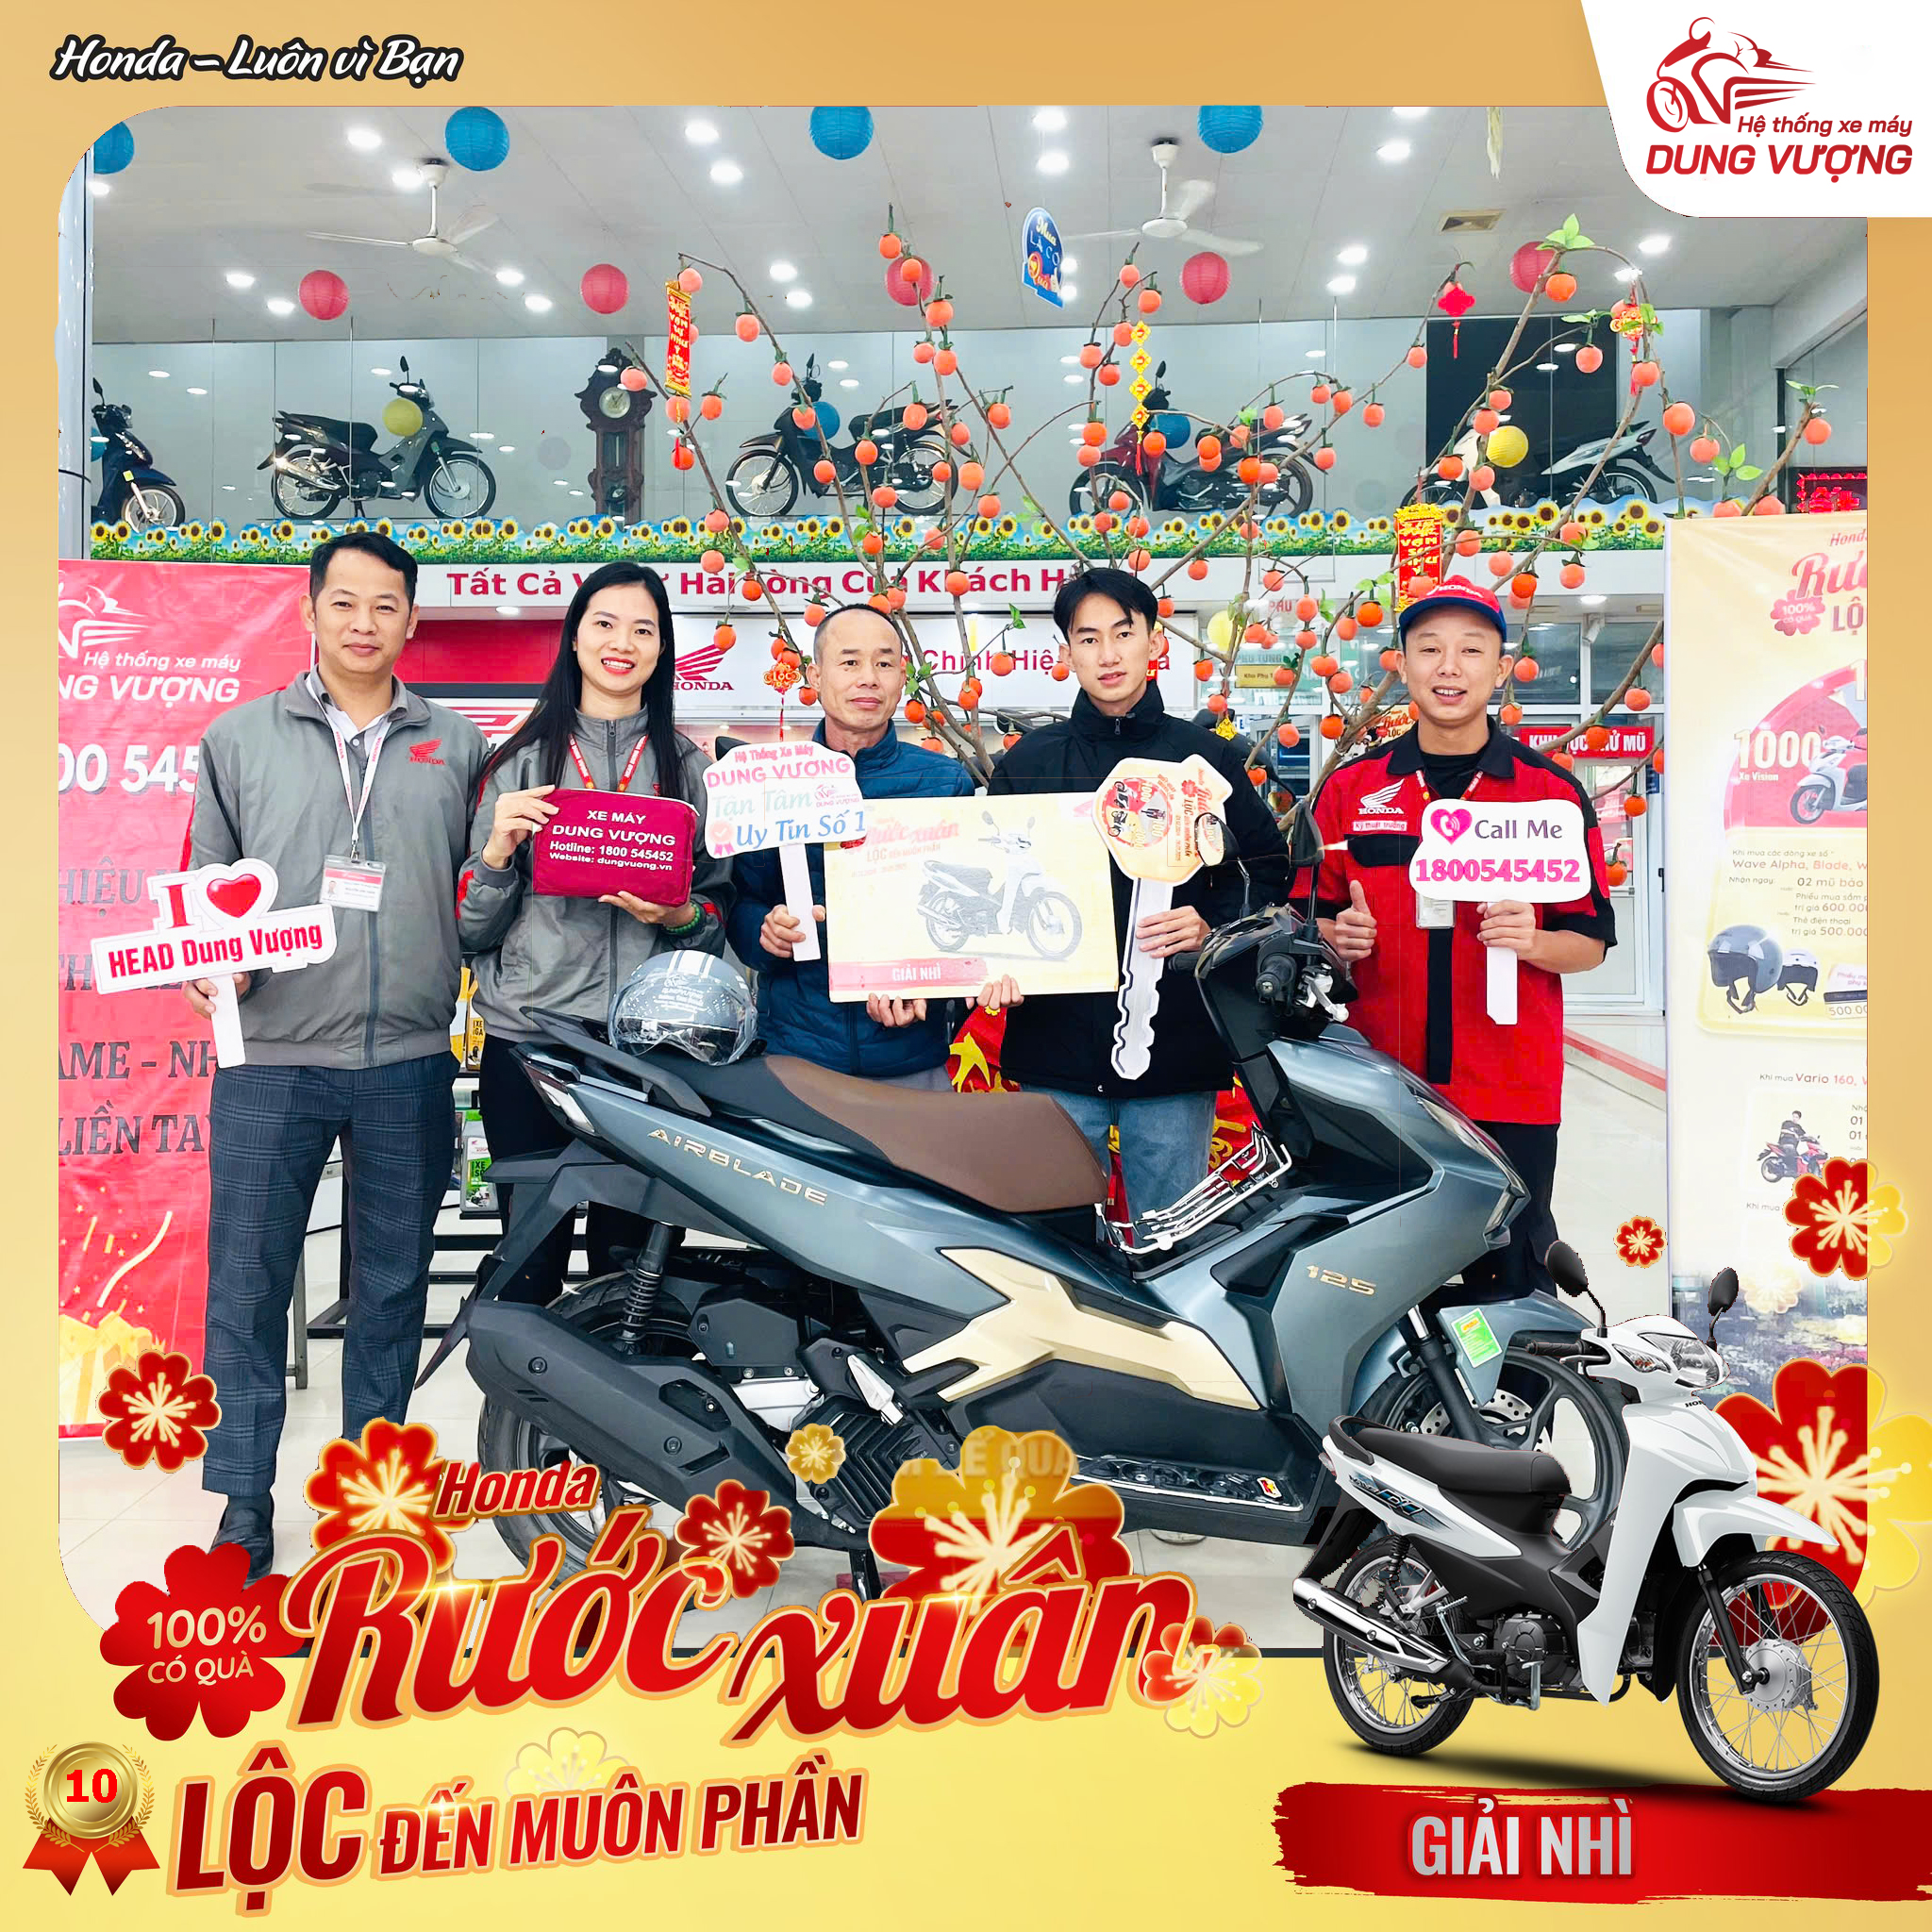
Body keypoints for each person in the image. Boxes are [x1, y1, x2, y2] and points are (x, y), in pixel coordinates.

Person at [183, 530, 490, 1582]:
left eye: (386, 604)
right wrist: (208, 967)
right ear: (309, 610)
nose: (364, 622)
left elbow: (477, 898)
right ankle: (242, 1503)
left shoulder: (456, 744)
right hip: (268, 1058)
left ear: (413, 620)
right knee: (248, 1284)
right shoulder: (237, 738)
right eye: (345, 602)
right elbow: (203, 887)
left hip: (407, 1056)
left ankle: (373, 1496)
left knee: (392, 1288)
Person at [1307, 576, 1616, 1296]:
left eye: (1472, 650)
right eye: (1430, 648)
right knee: (1377, 1284)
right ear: (1401, 664)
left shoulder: (1549, 794)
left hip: (1510, 1089)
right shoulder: (1353, 789)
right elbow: (1304, 920)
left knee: (1508, 1281)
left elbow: (1590, 942)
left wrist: (1533, 941)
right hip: (1379, 1088)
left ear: (1501, 669)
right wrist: (1335, 936)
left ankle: (1508, 1376)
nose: (1450, 667)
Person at [458, 562, 733, 1302]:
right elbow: (471, 931)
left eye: (643, 629)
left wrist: (679, 917)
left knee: (631, 1267)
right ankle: (517, 1381)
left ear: (662, 648)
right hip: (531, 1043)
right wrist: (497, 854)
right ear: (574, 638)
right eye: (605, 624)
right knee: (530, 1258)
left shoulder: (690, 771)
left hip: (649, 1052)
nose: (623, 643)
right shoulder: (517, 765)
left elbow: (717, 922)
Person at [983, 567, 1291, 1217]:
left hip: (1176, 1049)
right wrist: (994, 962)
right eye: (1088, 638)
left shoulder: (1204, 760)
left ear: (1155, 641)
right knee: (1055, 1239)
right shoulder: (1029, 764)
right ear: (1067, 653)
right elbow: (993, 881)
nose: (1108, 654)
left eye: (1124, 633)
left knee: (1170, 1237)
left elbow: (1267, 867)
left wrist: (1212, 924)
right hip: (1054, 1048)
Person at [727, 602, 975, 1088]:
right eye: (849, 662)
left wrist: (930, 988)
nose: (868, 678)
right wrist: (765, 932)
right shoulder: (772, 781)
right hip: (795, 1056)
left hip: (913, 1059)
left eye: (884, 663)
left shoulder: (943, 782)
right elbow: (741, 900)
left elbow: (966, 915)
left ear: (902, 677)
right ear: (816, 676)